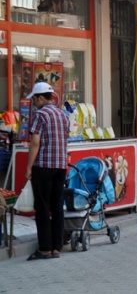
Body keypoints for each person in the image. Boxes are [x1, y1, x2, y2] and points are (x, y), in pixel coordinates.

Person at [25, 82, 70, 260]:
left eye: (34, 99)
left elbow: (35, 143)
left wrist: (28, 168)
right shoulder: (63, 114)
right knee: (57, 206)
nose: (34, 103)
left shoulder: (40, 115)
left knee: (42, 207)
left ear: (41, 97)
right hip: (60, 167)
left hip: (43, 166)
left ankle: (45, 248)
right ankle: (57, 247)